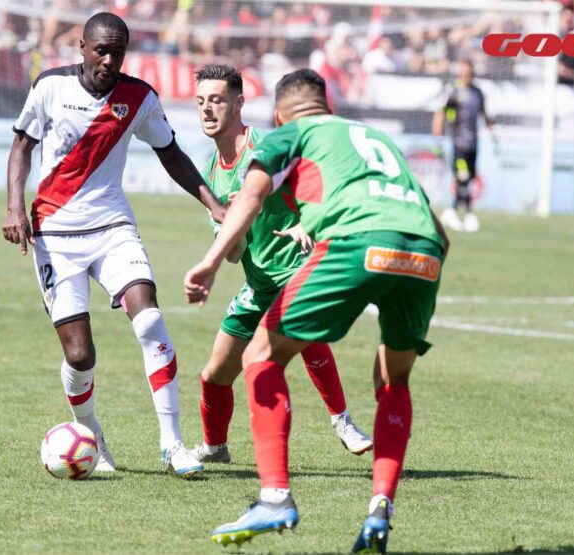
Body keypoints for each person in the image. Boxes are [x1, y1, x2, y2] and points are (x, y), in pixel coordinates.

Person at [184, 69, 449, 552]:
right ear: (327, 104)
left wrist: (208, 262)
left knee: (261, 357)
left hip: (355, 242)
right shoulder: (376, 138)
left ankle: (275, 497)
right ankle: (379, 510)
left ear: (279, 114)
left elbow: (254, 193)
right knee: (393, 382)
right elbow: (437, 227)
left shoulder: (289, 133)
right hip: (423, 251)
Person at [2, 12, 225, 479]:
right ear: (81, 46)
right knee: (80, 355)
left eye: (117, 52)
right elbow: (22, 146)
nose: (108, 60)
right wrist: (14, 208)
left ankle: (173, 445)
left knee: (149, 317)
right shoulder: (49, 87)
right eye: (100, 50)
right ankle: (92, 436)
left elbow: (171, 153)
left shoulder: (138, 97)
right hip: (55, 236)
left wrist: (212, 202)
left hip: (112, 227)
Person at [189, 64, 371, 465]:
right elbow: (234, 253)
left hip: (297, 269)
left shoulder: (270, 148)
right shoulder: (210, 174)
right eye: (200, 101)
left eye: (216, 100)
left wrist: (308, 223)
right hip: (259, 283)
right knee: (214, 375)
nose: (207, 109)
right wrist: (233, 228)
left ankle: (342, 420)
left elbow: (318, 188)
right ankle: (215, 448)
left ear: (239, 103)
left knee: (298, 323)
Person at [432, 59, 494, 233]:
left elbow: (485, 113)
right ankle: (468, 213)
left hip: (473, 143)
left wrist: (492, 127)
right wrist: (438, 136)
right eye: (463, 72)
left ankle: (452, 211)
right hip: (458, 143)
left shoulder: (478, 93)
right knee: (463, 176)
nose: (466, 75)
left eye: (469, 72)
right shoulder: (453, 91)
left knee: (470, 178)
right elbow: (441, 113)